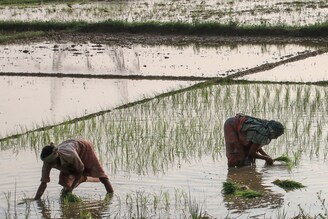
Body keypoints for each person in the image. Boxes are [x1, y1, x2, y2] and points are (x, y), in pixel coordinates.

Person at [34, 139, 114, 200]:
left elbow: (80, 170)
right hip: (68, 147)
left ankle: (110, 194)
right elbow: (43, 183)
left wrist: (71, 189)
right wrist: (36, 199)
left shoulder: (70, 155)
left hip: (84, 148)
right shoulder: (47, 163)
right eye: (48, 163)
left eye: (51, 162)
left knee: (99, 173)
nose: (49, 165)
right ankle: (65, 196)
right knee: (65, 181)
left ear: (56, 157)